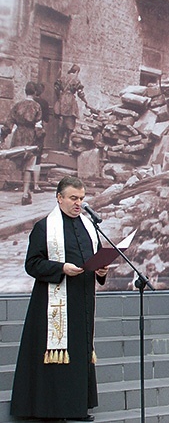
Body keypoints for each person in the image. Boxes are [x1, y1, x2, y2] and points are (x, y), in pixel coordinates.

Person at [10, 176, 108, 421]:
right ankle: (54, 409)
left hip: (83, 299)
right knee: (58, 353)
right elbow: (32, 264)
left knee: (79, 352)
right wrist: (61, 268)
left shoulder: (89, 226)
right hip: (54, 301)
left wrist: (101, 271)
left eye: (82, 199)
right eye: (73, 198)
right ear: (59, 198)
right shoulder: (44, 227)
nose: (78, 203)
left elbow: (94, 258)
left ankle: (78, 407)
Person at [1, 81, 42, 205]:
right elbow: (38, 126)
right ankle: (25, 193)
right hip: (31, 136)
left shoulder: (17, 105)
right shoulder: (37, 106)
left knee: (18, 161)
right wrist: (39, 140)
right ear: (35, 92)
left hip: (18, 135)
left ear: (25, 91)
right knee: (29, 166)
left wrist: (3, 136)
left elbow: (9, 123)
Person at [54, 64, 87, 150]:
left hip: (62, 100)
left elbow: (56, 88)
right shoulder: (76, 80)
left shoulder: (62, 77)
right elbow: (80, 93)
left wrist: (59, 97)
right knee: (70, 124)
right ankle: (68, 144)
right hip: (70, 101)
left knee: (61, 123)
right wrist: (85, 101)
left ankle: (59, 144)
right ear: (76, 72)